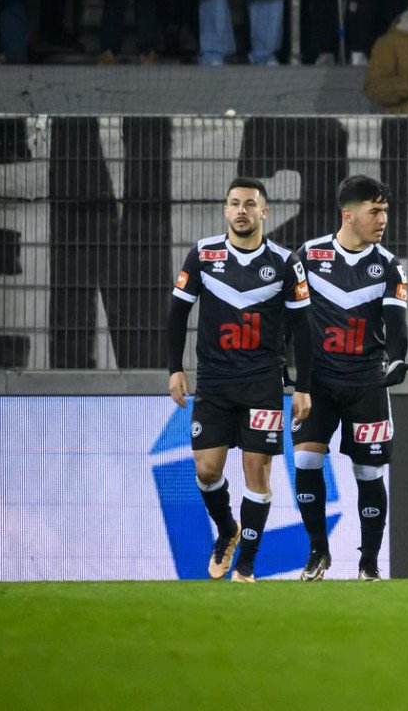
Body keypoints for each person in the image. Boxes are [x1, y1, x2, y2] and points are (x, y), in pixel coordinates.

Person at [163, 178, 308, 582]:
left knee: (256, 471)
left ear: (265, 212)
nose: (241, 210)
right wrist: (175, 367)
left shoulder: (284, 262)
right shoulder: (204, 255)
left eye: (250, 204)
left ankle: (246, 565)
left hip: (262, 382)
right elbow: (177, 315)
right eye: (234, 203)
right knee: (207, 471)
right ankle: (227, 530)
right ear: (226, 211)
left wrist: (304, 386)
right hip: (214, 383)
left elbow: (304, 329)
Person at [290, 175, 408, 583]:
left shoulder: (389, 265)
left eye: (385, 212)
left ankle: (369, 563)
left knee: (369, 474)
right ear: (349, 215)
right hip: (318, 382)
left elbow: (397, 324)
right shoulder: (308, 255)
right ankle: (317, 552)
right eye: (375, 211)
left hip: (365, 383)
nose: (383, 219)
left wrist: (397, 359)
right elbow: (289, 315)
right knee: (306, 459)